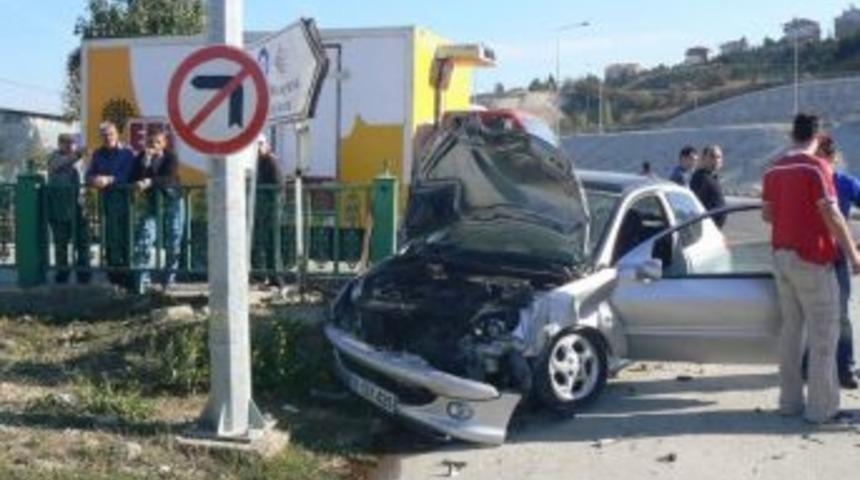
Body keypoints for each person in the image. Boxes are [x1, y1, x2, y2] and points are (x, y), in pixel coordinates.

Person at [762, 113, 860, 424]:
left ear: (792, 134)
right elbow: (832, 214)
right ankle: (822, 409)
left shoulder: (774, 168)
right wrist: (853, 254)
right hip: (813, 259)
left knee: (792, 333)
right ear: (816, 136)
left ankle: (789, 402)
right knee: (823, 336)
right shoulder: (815, 166)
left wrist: (793, 216)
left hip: (782, 257)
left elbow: (767, 215)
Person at [816, 135, 859, 389]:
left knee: (839, 315)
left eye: (824, 155)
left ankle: (844, 368)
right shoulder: (806, 180)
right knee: (816, 315)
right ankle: (816, 366)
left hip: (835, 258)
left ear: (832, 157)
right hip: (813, 256)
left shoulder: (844, 183)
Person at [131, 129, 184, 294]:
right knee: (145, 239)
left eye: (157, 142)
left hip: (172, 201)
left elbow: (169, 177)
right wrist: (145, 164)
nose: (153, 146)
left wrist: (150, 181)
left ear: (164, 143)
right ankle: (143, 283)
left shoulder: (170, 157)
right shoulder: (141, 157)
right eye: (150, 142)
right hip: (151, 203)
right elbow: (134, 177)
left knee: (173, 240)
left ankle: (169, 280)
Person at [86, 122, 137, 288]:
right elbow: (89, 174)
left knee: (127, 236)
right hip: (107, 201)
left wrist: (109, 179)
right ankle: (114, 274)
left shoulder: (127, 153)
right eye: (104, 135)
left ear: (117, 134)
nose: (108, 137)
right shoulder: (98, 154)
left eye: (111, 134)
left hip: (125, 200)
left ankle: (128, 273)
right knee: (111, 236)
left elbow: (129, 173)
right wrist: (94, 179)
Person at [46, 134, 91, 284]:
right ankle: (62, 273)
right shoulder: (54, 157)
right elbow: (57, 165)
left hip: (79, 207)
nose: (70, 146)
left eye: (72, 143)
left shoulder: (77, 160)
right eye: (66, 143)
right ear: (59, 144)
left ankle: (83, 272)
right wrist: (78, 154)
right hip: (60, 209)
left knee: (83, 242)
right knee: (61, 244)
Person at [251, 137, 284, 287]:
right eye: (256, 145)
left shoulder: (271, 161)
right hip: (262, 209)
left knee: (272, 242)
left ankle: (275, 278)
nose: (258, 148)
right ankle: (264, 276)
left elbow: (278, 186)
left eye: (260, 144)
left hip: (271, 208)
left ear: (267, 145)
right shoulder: (257, 161)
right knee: (261, 243)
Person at [690, 145, 727, 228]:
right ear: (703, 158)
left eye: (719, 157)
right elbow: (698, 204)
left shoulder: (712, 177)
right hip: (706, 227)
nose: (716, 160)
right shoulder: (700, 178)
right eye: (712, 156)